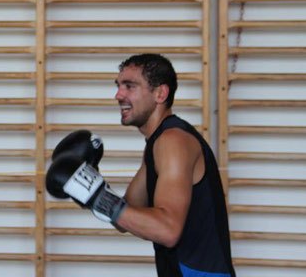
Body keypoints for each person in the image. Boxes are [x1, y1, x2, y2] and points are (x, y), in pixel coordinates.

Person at [47, 53, 236, 277]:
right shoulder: (157, 143)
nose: (119, 95)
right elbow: (125, 217)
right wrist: (91, 183)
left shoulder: (173, 140)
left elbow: (167, 230)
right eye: (118, 86)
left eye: (130, 86)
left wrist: (96, 196)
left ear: (160, 93)